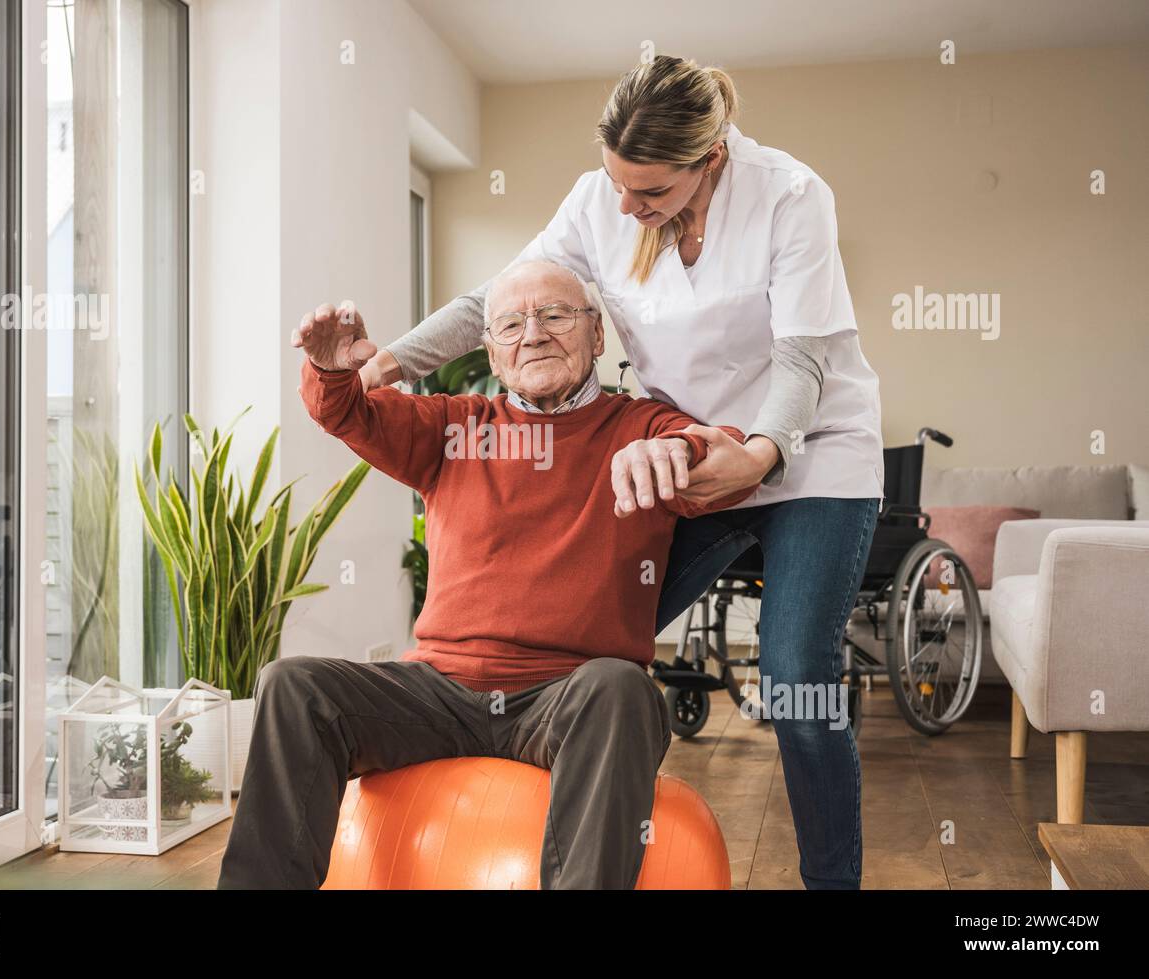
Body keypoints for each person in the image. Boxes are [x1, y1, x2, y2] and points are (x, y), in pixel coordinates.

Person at [360, 56, 884, 889]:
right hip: (688, 453)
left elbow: (802, 358)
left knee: (793, 679)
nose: (626, 208)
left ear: (709, 161)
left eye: (650, 194)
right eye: (617, 185)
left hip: (811, 455)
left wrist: (761, 452)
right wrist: (386, 363)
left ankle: (832, 881)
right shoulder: (599, 201)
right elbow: (492, 301)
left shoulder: (789, 196)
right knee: (582, 634)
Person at [216, 259, 753, 889]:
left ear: (597, 334)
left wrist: (680, 449)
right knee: (294, 685)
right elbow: (348, 413)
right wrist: (332, 371)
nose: (534, 334)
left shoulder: (641, 428)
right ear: (493, 356)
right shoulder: (455, 427)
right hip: (440, 693)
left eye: (555, 315)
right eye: (511, 325)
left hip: (568, 698)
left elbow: (729, 456)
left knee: (623, 688)